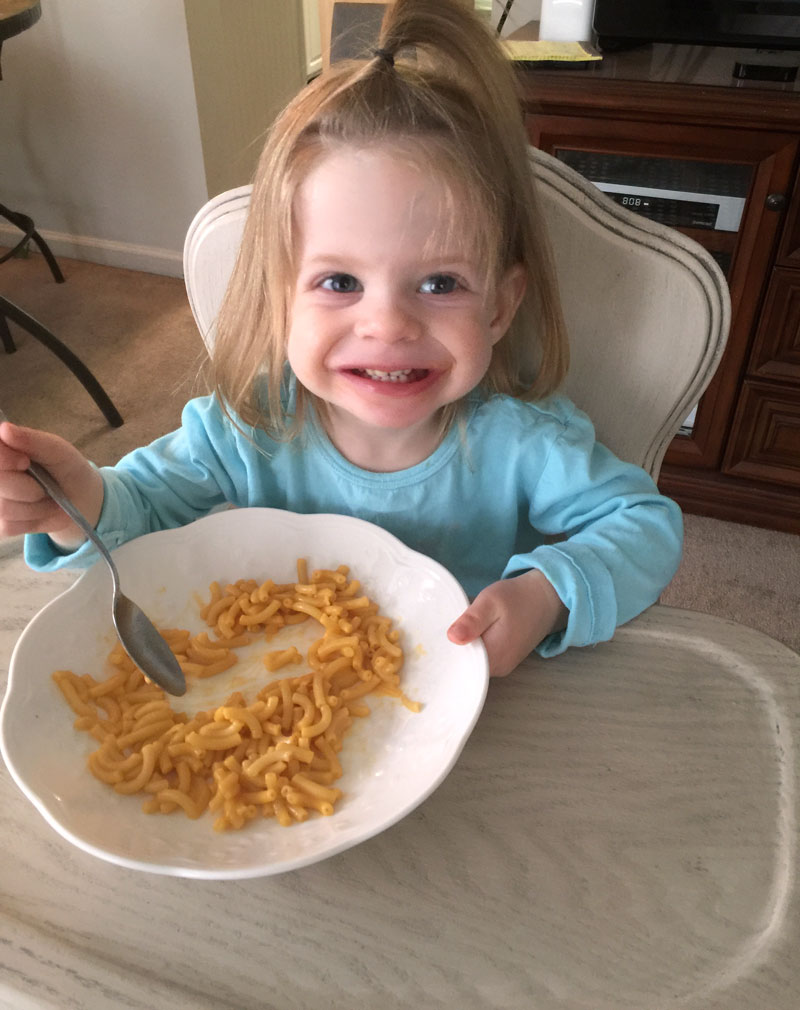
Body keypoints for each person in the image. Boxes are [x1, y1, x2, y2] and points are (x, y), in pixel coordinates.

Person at [0, 0, 682, 678]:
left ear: (501, 308)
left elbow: (648, 529)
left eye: (441, 284)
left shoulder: (525, 443)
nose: (387, 325)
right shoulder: (248, 428)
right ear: (280, 297)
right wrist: (74, 499)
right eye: (339, 283)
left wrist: (549, 593)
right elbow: (137, 515)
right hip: (288, 711)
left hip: (473, 705)